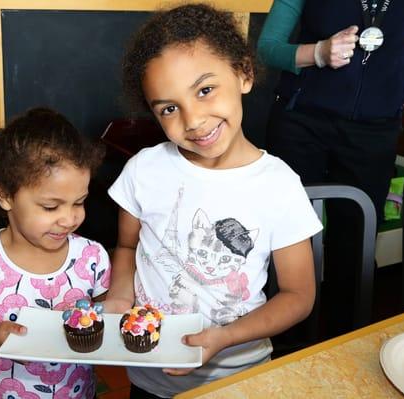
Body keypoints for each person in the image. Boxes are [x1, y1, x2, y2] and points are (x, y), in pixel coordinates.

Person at [103, 4, 323, 398]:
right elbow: (127, 245)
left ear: (244, 73)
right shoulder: (143, 170)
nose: (193, 120)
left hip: (239, 378)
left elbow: (298, 295)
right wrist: (120, 296)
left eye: (205, 90)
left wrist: (225, 336)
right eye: (169, 108)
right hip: (149, 375)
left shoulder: (279, 185)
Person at [257, 0, 404, 335]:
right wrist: (318, 53)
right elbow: (267, 48)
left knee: (357, 242)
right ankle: (279, 342)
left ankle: (343, 341)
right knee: (287, 238)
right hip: (299, 123)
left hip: (375, 131)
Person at [0, 107, 110, 398]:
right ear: (5, 195)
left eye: (79, 202)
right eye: (51, 207)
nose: (69, 218)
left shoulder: (92, 257)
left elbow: (105, 320)